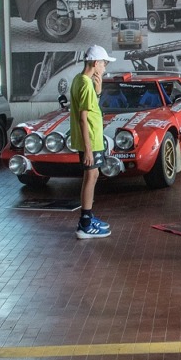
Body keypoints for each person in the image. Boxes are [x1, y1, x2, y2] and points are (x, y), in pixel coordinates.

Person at [72, 44, 112, 240]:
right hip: (91, 140)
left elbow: (89, 106)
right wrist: (88, 149)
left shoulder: (79, 80)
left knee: (93, 175)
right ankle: (85, 224)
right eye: (104, 64)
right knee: (90, 176)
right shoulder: (86, 84)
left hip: (91, 139)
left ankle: (87, 216)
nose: (104, 67)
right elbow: (83, 118)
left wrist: (98, 90)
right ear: (96, 63)